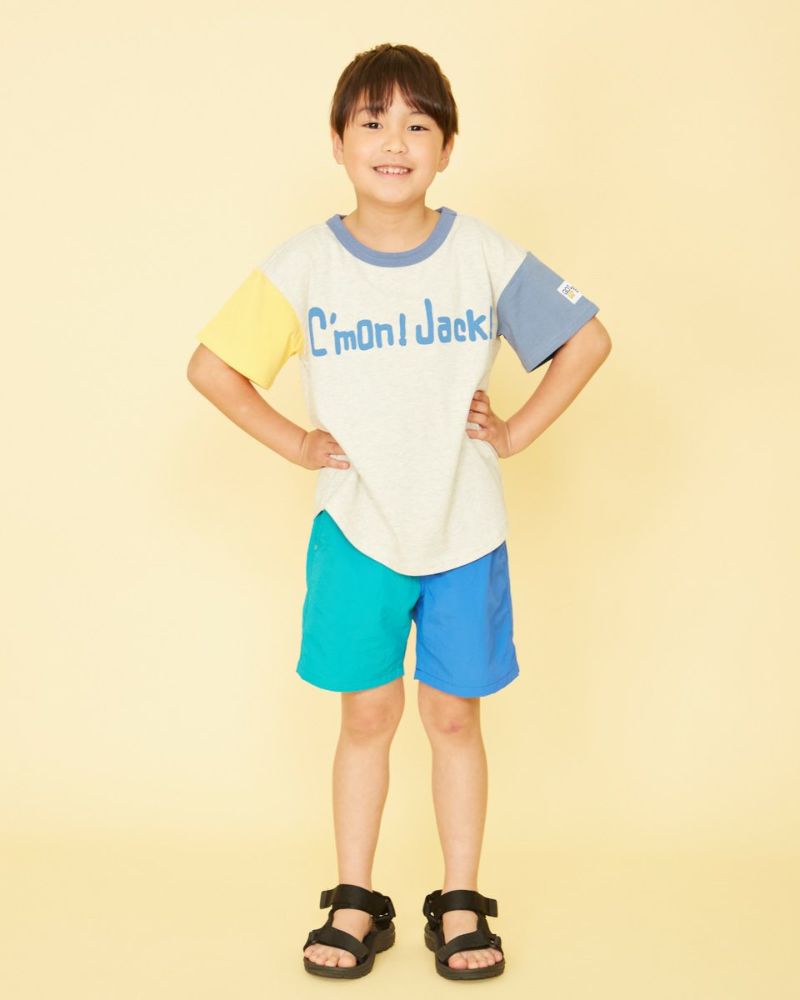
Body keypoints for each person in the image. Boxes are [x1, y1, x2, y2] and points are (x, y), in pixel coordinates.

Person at [187, 42, 611, 981]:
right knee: (368, 715)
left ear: (447, 147)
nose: (394, 142)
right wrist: (297, 443)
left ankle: (460, 898)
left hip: (466, 528)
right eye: (372, 122)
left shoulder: (482, 253)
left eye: (418, 124)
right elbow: (212, 368)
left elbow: (587, 341)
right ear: (338, 142)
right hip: (357, 531)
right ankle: (354, 897)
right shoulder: (305, 264)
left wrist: (516, 431)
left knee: (453, 718)